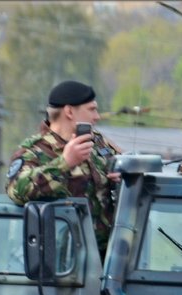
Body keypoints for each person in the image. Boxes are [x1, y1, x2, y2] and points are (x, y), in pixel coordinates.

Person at [6, 80, 122, 254]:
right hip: (63, 262)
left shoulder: (97, 142)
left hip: (107, 258)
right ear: (69, 111)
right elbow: (17, 190)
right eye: (91, 109)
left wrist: (121, 177)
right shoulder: (34, 151)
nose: (97, 116)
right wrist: (65, 163)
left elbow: (123, 166)